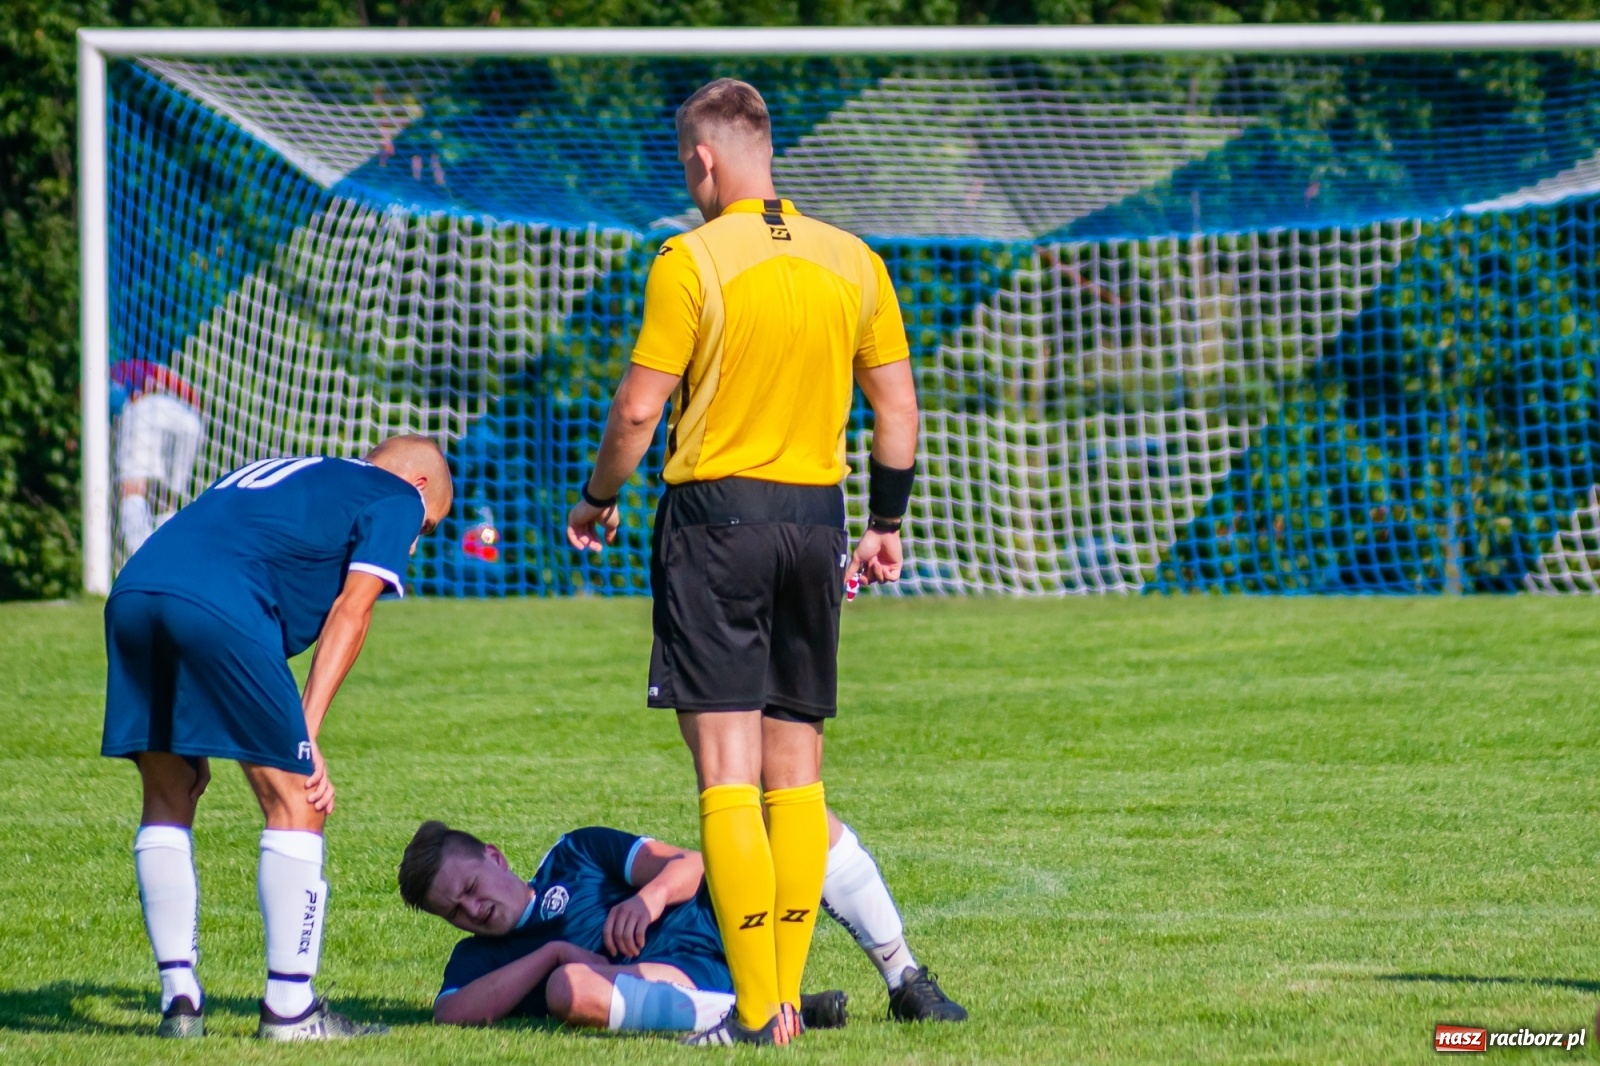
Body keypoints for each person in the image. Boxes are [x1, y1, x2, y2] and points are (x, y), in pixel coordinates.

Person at [564, 77, 922, 1046]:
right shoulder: (853, 259)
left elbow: (639, 409)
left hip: (715, 519)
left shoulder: (689, 259)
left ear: (703, 160)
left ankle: (759, 1007)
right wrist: (883, 524)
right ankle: (786, 996)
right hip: (815, 519)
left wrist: (597, 500)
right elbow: (897, 411)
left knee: (726, 775)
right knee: (795, 777)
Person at [101, 436, 453, 1041]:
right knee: (299, 801)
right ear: (419, 486)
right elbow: (352, 611)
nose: (415, 541)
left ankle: (179, 1000)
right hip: (222, 606)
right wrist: (306, 732)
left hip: (134, 593)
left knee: (170, 792)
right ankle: (291, 1010)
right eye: (429, 525)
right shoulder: (395, 494)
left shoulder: (288, 472)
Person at [397, 813, 964, 1035]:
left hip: (729, 928)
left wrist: (646, 900)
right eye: (454, 911)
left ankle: (905, 980)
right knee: (568, 989)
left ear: (494, 857)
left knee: (797, 816)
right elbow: (449, 1014)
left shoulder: (575, 853)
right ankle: (761, 1016)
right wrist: (552, 956)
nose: (471, 911)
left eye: (469, 889)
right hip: (676, 985)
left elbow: (692, 864)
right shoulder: (479, 960)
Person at [110, 359, 203, 557]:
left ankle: (143, 556)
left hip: (146, 411)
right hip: (187, 419)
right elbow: (190, 394)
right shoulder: (150, 365)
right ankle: (171, 554)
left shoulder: (111, 369)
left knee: (132, 488)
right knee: (168, 496)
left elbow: (113, 401)